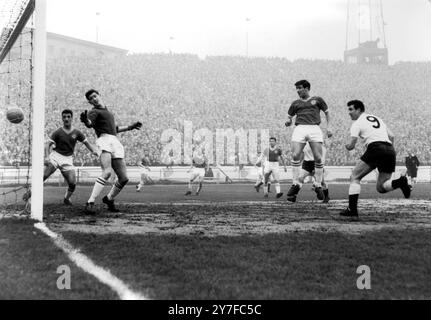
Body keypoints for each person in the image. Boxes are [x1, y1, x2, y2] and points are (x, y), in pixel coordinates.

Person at [340, 100, 411, 217]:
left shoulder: (357, 123)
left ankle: (352, 210)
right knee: (381, 187)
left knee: (354, 177)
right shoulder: (378, 118)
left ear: (359, 110)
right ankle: (400, 182)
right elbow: (392, 135)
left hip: (375, 148)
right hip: (389, 149)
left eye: (351, 109)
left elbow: (352, 144)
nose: (349, 112)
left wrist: (348, 146)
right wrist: (386, 150)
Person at [80, 89, 142, 214]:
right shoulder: (94, 111)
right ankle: (90, 202)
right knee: (107, 172)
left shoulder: (107, 112)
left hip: (114, 141)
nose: (94, 99)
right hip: (104, 140)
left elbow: (114, 129)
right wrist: (86, 121)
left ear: (99, 95)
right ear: (89, 102)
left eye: (95, 96)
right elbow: (90, 123)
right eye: (91, 98)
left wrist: (130, 127)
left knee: (124, 178)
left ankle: (109, 198)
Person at [23, 109, 98, 205]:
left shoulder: (77, 132)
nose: (66, 119)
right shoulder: (58, 132)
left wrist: (93, 151)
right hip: (55, 156)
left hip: (67, 159)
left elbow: (86, 143)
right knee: (43, 176)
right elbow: (48, 144)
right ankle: (29, 194)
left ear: (71, 118)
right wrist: (46, 157)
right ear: (62, 118)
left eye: (68, 117)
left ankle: (66, 198)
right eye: (64, 117)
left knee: (72, 183)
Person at [285, 80, 332, 202]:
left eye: (300, 88)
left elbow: (327, 113)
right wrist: (288, 122)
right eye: (297, 88)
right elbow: (289, 117)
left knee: (318, 157)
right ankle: (295, 183)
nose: (298, 90)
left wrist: (329, 127)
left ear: (307, 88)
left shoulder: (318, 100)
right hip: (300, 127)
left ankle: (317, 185)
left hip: (314, 128)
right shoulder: (295, 103)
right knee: (295, 155)